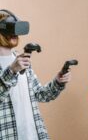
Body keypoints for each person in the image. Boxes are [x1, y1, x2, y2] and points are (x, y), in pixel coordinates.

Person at [0, 9, 71, 140]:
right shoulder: (18, 64)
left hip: (34, 135)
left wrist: (58, 82)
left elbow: (40, 95)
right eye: (11, 28)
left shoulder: (21, 59)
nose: (15, 34)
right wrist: (11, 71)